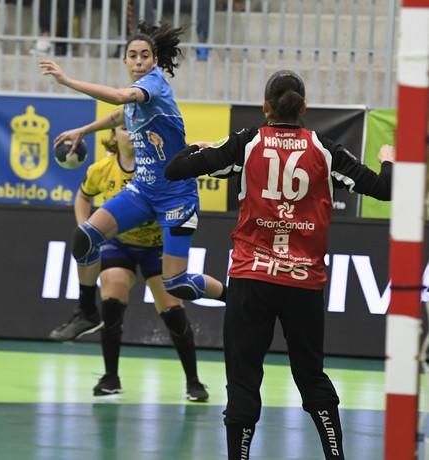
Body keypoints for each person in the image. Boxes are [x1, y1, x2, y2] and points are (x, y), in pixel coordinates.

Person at [164, 70, 394, 459]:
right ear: (304, 107)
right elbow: (384, 189)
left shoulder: (246, 144)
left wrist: (199, 149)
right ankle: (335, 455)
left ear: (265, 106)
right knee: (310, 375)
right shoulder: (324, 149)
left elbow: (175, 171)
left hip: (251, 279)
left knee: (243, 377)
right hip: (303, 283)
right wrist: (388, 160)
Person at [39, 21, 226, 334]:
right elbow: (120, 115)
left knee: (176, 283)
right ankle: (87, 311)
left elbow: (117, 98)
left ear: (154, 60)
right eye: (133, 56)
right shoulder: (137, 100)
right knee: (85, 237)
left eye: (145, 56)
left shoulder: (153, 84)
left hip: (177, 197)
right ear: (124, 60)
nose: (139, 62)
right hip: (143, 190)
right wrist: (83, 130)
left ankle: (235, 298)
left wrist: (67, 80)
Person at [55, 126, 219, 401]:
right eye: (123, 128)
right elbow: (83, 196)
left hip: (156, 246)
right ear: (113, 136)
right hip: (119, 245)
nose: (130, 133)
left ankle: (193, 381)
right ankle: (110, 377)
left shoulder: (156, 167)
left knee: (173, 311)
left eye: (134, 129)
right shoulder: (101, 169)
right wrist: (87, 230)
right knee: (112, 298)